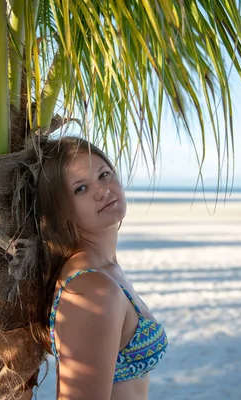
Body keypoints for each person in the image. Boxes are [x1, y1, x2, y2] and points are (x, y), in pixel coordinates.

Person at [33, 136, 168, 399]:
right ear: (61, 211)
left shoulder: (105, 270)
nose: (102, 190)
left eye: (104, 175)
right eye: (81, 188)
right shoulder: (92, 288)